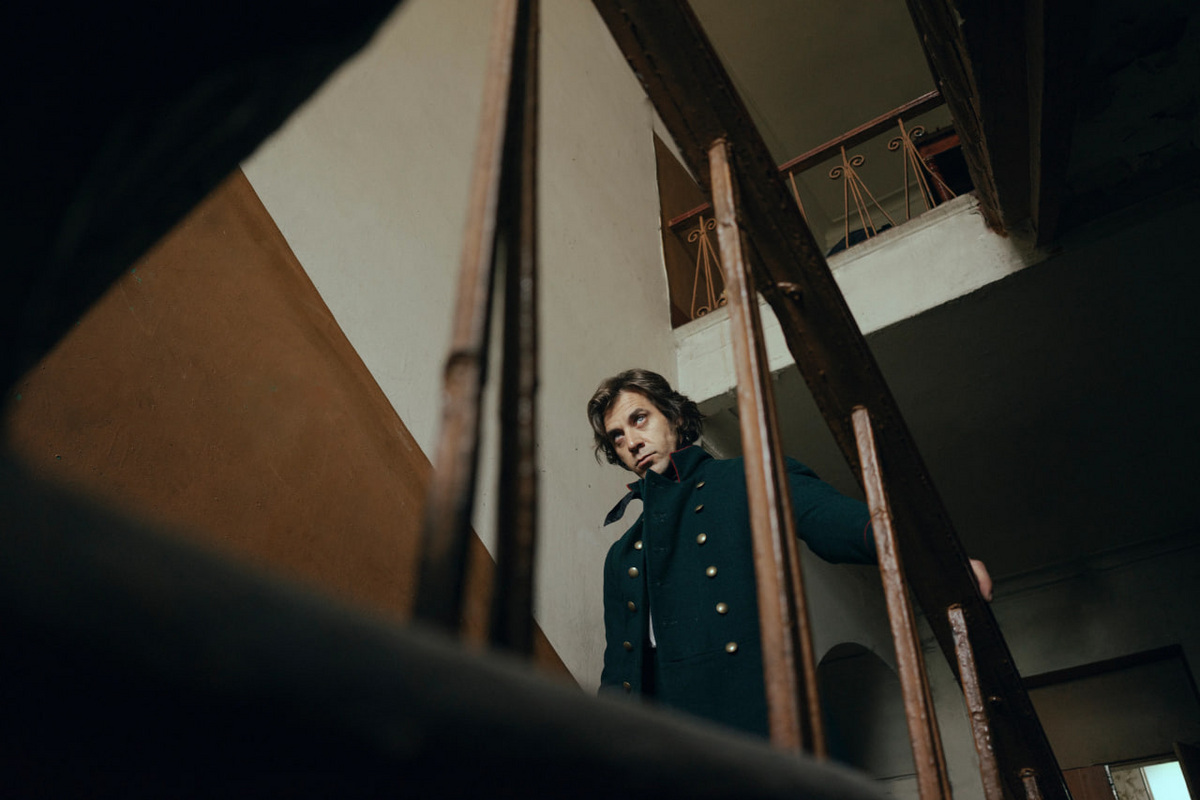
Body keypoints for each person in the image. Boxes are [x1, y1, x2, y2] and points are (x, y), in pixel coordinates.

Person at [587, 368, 991, 738]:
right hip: (668, 749)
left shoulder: (742, 479)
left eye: (639, 419)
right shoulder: (622, 557)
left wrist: (932, 556)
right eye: (617, 437)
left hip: (753, 722)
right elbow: (619, 673)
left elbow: (829, 517)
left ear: (674, 418)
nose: (632, 442)